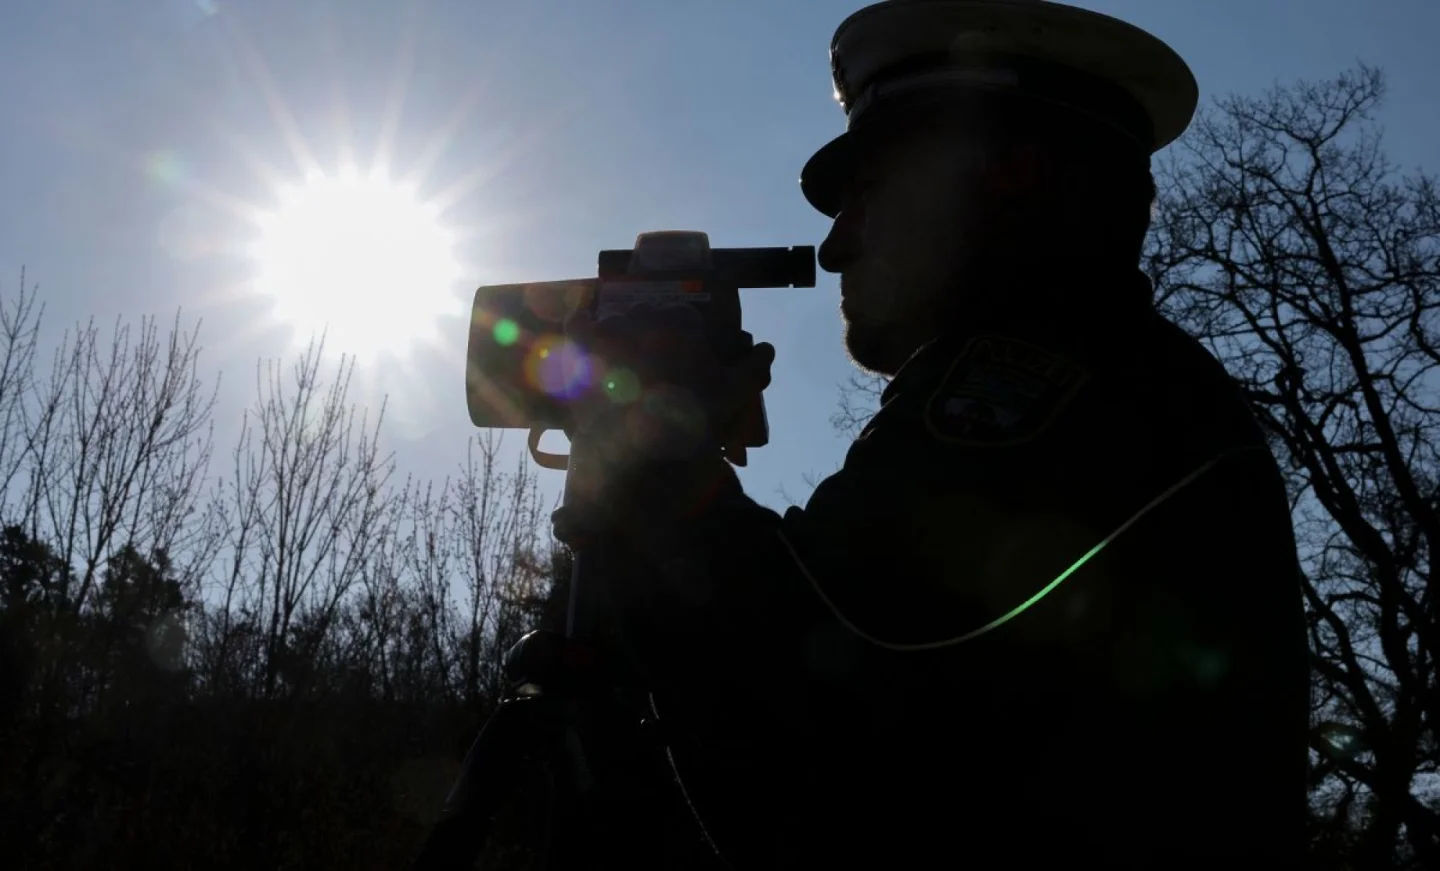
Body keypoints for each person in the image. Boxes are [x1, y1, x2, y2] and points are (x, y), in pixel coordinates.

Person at [559, 1, 1313, 867]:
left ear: (1004, 178)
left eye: (865, 198)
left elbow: (798, 706)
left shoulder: (1046, 387)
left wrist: (644, 459)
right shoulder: (1130, 386)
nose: (836, 248)